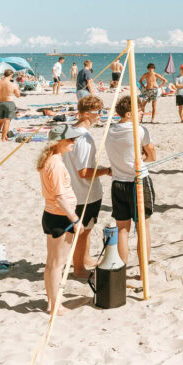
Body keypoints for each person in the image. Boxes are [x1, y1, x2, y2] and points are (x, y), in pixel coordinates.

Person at [61, 96, 113, 277]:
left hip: (75, 190)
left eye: (101, 111)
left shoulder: (69, 130)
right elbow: (83, 171)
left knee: (88, 228)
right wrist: (106, 171)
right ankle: (79, 268)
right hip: (83, 192)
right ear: (84, 113)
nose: (99, 115)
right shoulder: (82, 137)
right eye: (97, 112)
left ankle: (86, 258)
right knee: (82, 232)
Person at [104, 96, 157, 268]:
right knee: (143, 229)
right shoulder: (140, 130)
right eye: (139, 110)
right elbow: (152, 155)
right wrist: (142, 156)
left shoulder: (110, 130)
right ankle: (144, 273)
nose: (142, 113)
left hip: (118, 184)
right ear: (128, 114)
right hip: (138, 182)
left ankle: (121, 271)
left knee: (123, 230)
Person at [38, 124, 83, 313]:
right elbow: (59, 196)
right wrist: (74, 219)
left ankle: (52, 301)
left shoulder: (50, 159)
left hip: (52, 214)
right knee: (57, 265)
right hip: (59, 217)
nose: (74, 142)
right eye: (70, 139)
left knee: (52, 264)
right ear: (59, 142)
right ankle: (55, 305)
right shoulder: (55, 163)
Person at [0, 69, 20, 142]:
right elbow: (18, 95)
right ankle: (3, 139)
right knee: (7, 121)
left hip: (0, 103)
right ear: (11, 75)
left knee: (0, 122)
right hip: (9, 102)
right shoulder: (13, 84)